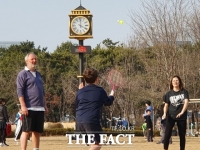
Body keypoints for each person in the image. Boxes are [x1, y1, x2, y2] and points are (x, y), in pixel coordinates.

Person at [75, 68, 114, 150]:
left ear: (85, 79)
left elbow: (77, 104)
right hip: (91, 120)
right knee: (97, 143)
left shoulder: (80, 91)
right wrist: (112, 95)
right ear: (97, 79)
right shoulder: (100, 91)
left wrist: (80, 91)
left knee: (93, 143)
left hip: (79, 121)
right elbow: (108, 102)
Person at [16, 52, 48, 150]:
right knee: (26, 131)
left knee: (37, 131)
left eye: (35, 59)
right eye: (32, 59)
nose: (34, 61)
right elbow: (20, 90)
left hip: (39, 107)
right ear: (27, 61)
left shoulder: (38, 74)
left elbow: (42, 91)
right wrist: (23, 106)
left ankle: (36, 149)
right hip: (29, 107)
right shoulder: (22, 74)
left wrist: (45, 105)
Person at [162, 75, 189, 150]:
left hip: (181, 116)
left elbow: (186, 102)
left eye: (177, 80)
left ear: (179, 82)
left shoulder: (184, 92)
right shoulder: (168, 94)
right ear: (171, 83)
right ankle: (165, 148)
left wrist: (182, 112)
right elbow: (166, 105)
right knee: (167, 134)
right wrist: (164, 113)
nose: (175, 82)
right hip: (171, 116)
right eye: (173, 81)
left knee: (182, 135)